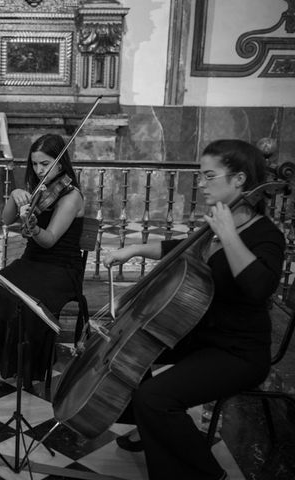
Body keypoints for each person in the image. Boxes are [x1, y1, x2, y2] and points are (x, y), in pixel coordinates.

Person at [102, 139, 285, 480]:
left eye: (209, 176)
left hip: (238, 352)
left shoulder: (265, 235)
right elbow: (178, 247)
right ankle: (150, 429)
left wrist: (229, 235)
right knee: (130, 351)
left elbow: (260, 286)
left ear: (240, 179)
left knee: (154, 398)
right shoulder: (214, 226)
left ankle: (205, 473)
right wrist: (135, 249)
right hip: (203, 333)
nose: (201, 184)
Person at [0, 133, 85, 389]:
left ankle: (27, 368)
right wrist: (14, 195)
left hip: (61, 270)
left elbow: (49, 240)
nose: (39, 170)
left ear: (60, 163)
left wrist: (33, 228)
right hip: (32, 262)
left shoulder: (71, 196)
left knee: (26, 299)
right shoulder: (38, 190)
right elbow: (6, 220)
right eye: (35, 164)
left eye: (45, 164)